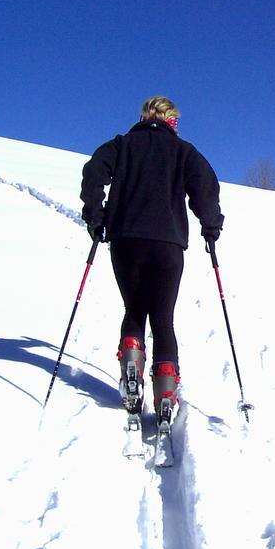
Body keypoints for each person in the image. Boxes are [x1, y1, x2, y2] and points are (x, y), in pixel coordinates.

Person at [80, 96, 224, 426]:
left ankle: (131, 366)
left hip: (125, 240)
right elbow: (205, 188)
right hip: (168, 244)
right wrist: (211, 225)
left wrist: (95, 216)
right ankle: (165, 393)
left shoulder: (121, 145)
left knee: (134, 310)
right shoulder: (184, 151)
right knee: (163, 319)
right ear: (171, 120)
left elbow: (93, 174)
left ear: (144, 116)